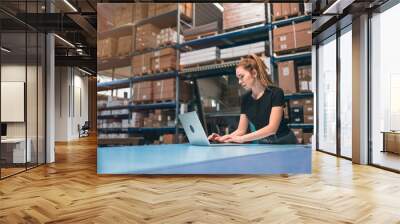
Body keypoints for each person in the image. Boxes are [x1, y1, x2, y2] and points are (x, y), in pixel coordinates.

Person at [208, 54, 297, 144]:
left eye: (241, 76)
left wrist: (241, 139)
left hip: (284, 142)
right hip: (265, 143)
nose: (239, 82)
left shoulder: (276, 93)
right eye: (238, 78)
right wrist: (223, 138)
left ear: (254, 73)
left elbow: (272, 129)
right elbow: (240, 130)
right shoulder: (245, 99)